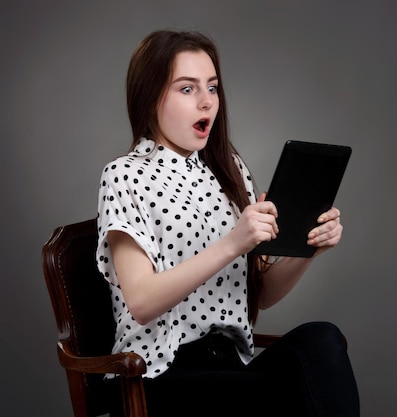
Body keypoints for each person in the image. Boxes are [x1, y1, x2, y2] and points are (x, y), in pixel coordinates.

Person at [96, 29, 360, 416]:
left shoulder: (228, 171)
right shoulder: (124, 175)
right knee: (280, 395)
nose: (207, 102)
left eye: (213, 87)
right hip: (158, 372)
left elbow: (261, 294)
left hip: (231, 363)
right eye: (187, 89)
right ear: (151, 96)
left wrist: (309, 248)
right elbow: (140, 301)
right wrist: (233, 243)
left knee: (323, 340)